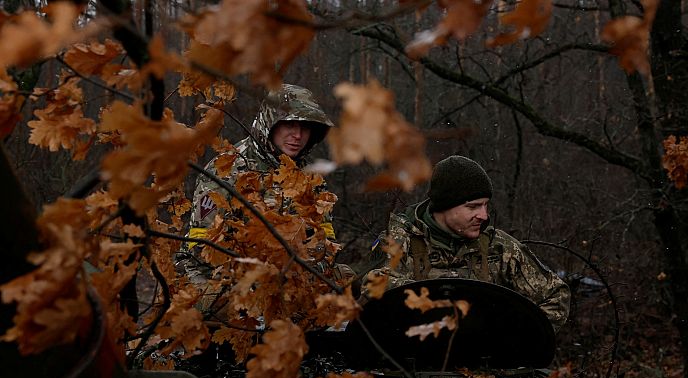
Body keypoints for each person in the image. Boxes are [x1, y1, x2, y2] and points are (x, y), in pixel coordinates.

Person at [365, 155, 570, 332]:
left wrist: (514, 338)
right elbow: (375, 293)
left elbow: (556, 295)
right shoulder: (398, 243)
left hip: (487, 366)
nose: (483, 215)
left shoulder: (499, 248)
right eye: (473, 207)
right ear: (444, 206)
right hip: (416, 365)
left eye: (485, 205)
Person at [176, 84, 347, 285]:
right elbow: (202, 245)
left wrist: (308, 270)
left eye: (305, 127)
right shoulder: (227, 168)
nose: (298, 135)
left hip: (289, 280)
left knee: (348, 282)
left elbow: (325, 242)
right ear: (271, 123)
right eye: (290, 124)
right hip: (220, 276)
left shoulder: (311, 177)